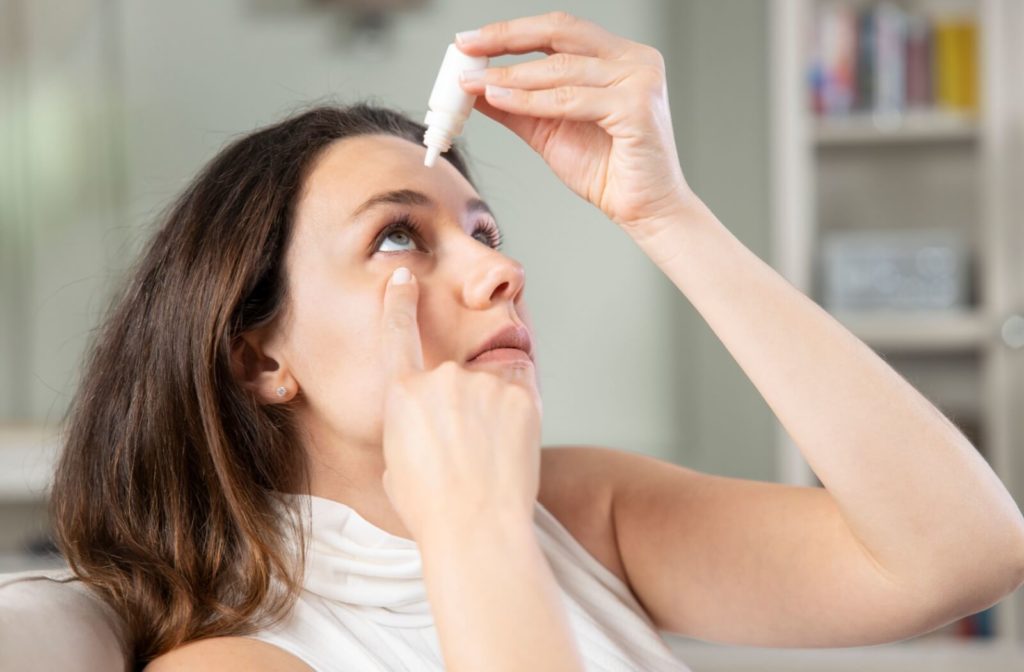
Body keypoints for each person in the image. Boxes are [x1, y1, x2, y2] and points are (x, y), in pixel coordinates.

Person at [50, 10, 1024, 672]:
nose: (498, 273)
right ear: (259, 356)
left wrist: (666, 215)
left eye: (483, 232)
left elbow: (962, 555)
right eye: (399, 236)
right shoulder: (236, 662)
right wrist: (467, 530)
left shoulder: (575, 509)